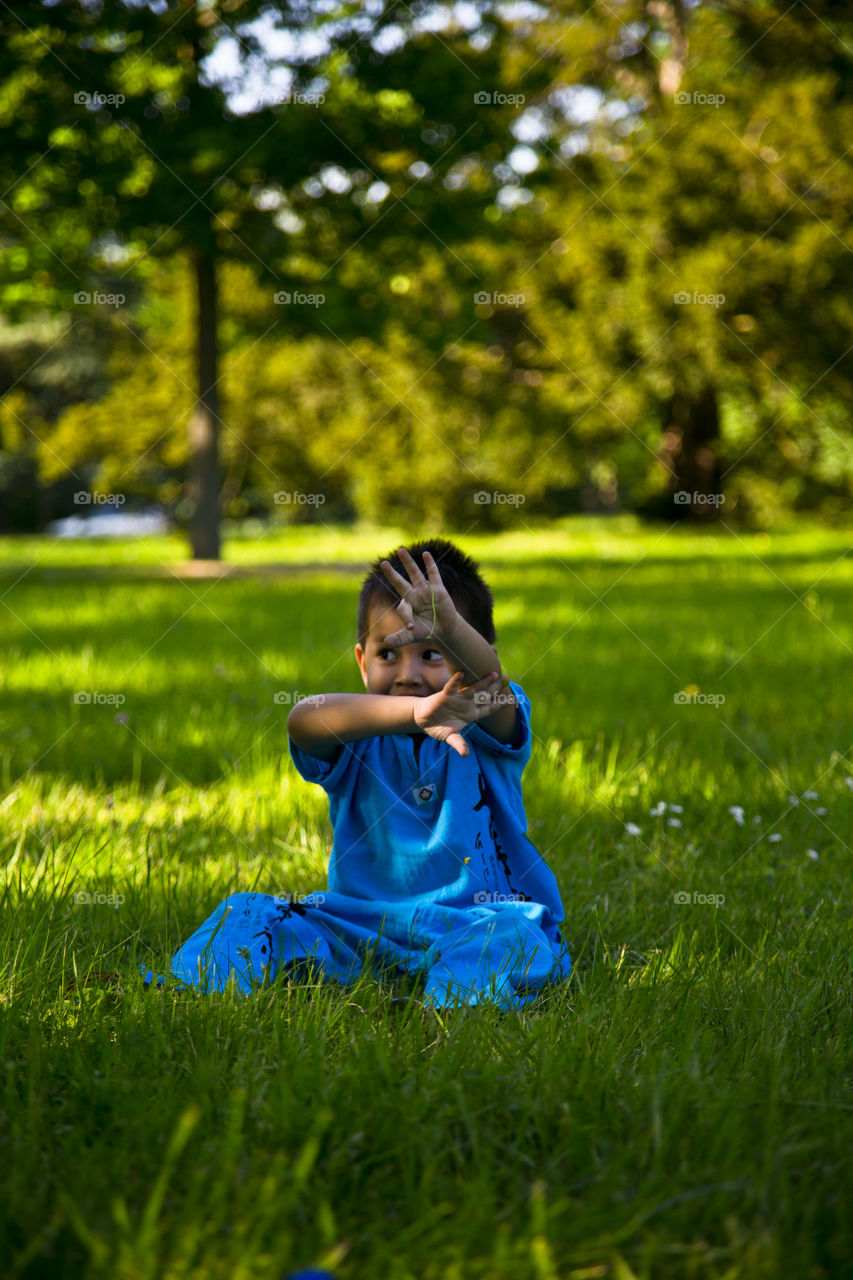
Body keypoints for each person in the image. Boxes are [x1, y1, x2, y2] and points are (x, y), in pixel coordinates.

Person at [141, 538, 571, 1012]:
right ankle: (194, 994)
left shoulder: (488, 715)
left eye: (433, 653)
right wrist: (414, 713)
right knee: (247, 910)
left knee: (512, 936)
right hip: (363, 927)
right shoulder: (355, 735)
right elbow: (304, 718)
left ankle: (453, 1007)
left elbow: (488, 679)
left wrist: (454, 633)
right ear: (362, 662)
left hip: (478, 919)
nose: (408, 674)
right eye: (389, 654)